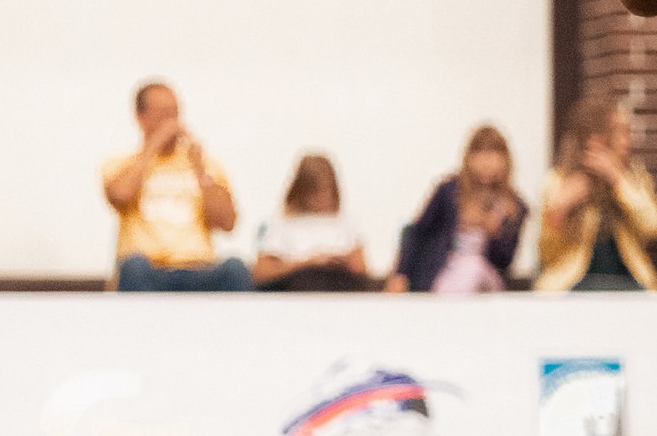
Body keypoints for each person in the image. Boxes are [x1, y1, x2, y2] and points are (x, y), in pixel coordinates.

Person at [102, 80, 251, 291]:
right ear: (140, 117)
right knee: (133, 266)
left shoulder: (206, 164)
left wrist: (200, 170)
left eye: (175, 112)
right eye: (162, 113)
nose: (172, 120)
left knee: (236, 268)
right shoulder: (121, 163)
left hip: (199, 269)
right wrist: (153, 147)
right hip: (150, 271)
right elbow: (121, 194)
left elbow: (227, 223)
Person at [536, 95, 657, 292]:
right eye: (620, 133)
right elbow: (546, 254)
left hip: (631, 284)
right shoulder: (557, 181)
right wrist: (559, 210)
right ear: (596, 137)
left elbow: (654, 227)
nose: (627, 141)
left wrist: (617, 180)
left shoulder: (635, 178)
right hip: (572, 287)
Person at [390, 125, 531, 294]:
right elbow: (417, 232)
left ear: (504, 159)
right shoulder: (449, 192)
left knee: (473, 268)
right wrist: (401, 274)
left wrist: (491, 232)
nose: (486, 161)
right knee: (467, 270)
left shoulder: (513, 206)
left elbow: (505, 262)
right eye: (479, 153)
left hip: (486, 280)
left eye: (493, 154)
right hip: (442, 274)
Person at [253, 154, 373, 292]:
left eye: (327, 190)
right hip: (302, 284)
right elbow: (260, 273)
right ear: (301, 191)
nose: (322, 198)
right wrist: (307, 262)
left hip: (341, 284)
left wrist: (338, 260)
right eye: (315, 192)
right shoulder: (285, 222)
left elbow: (362, 268)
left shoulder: (346, 220)